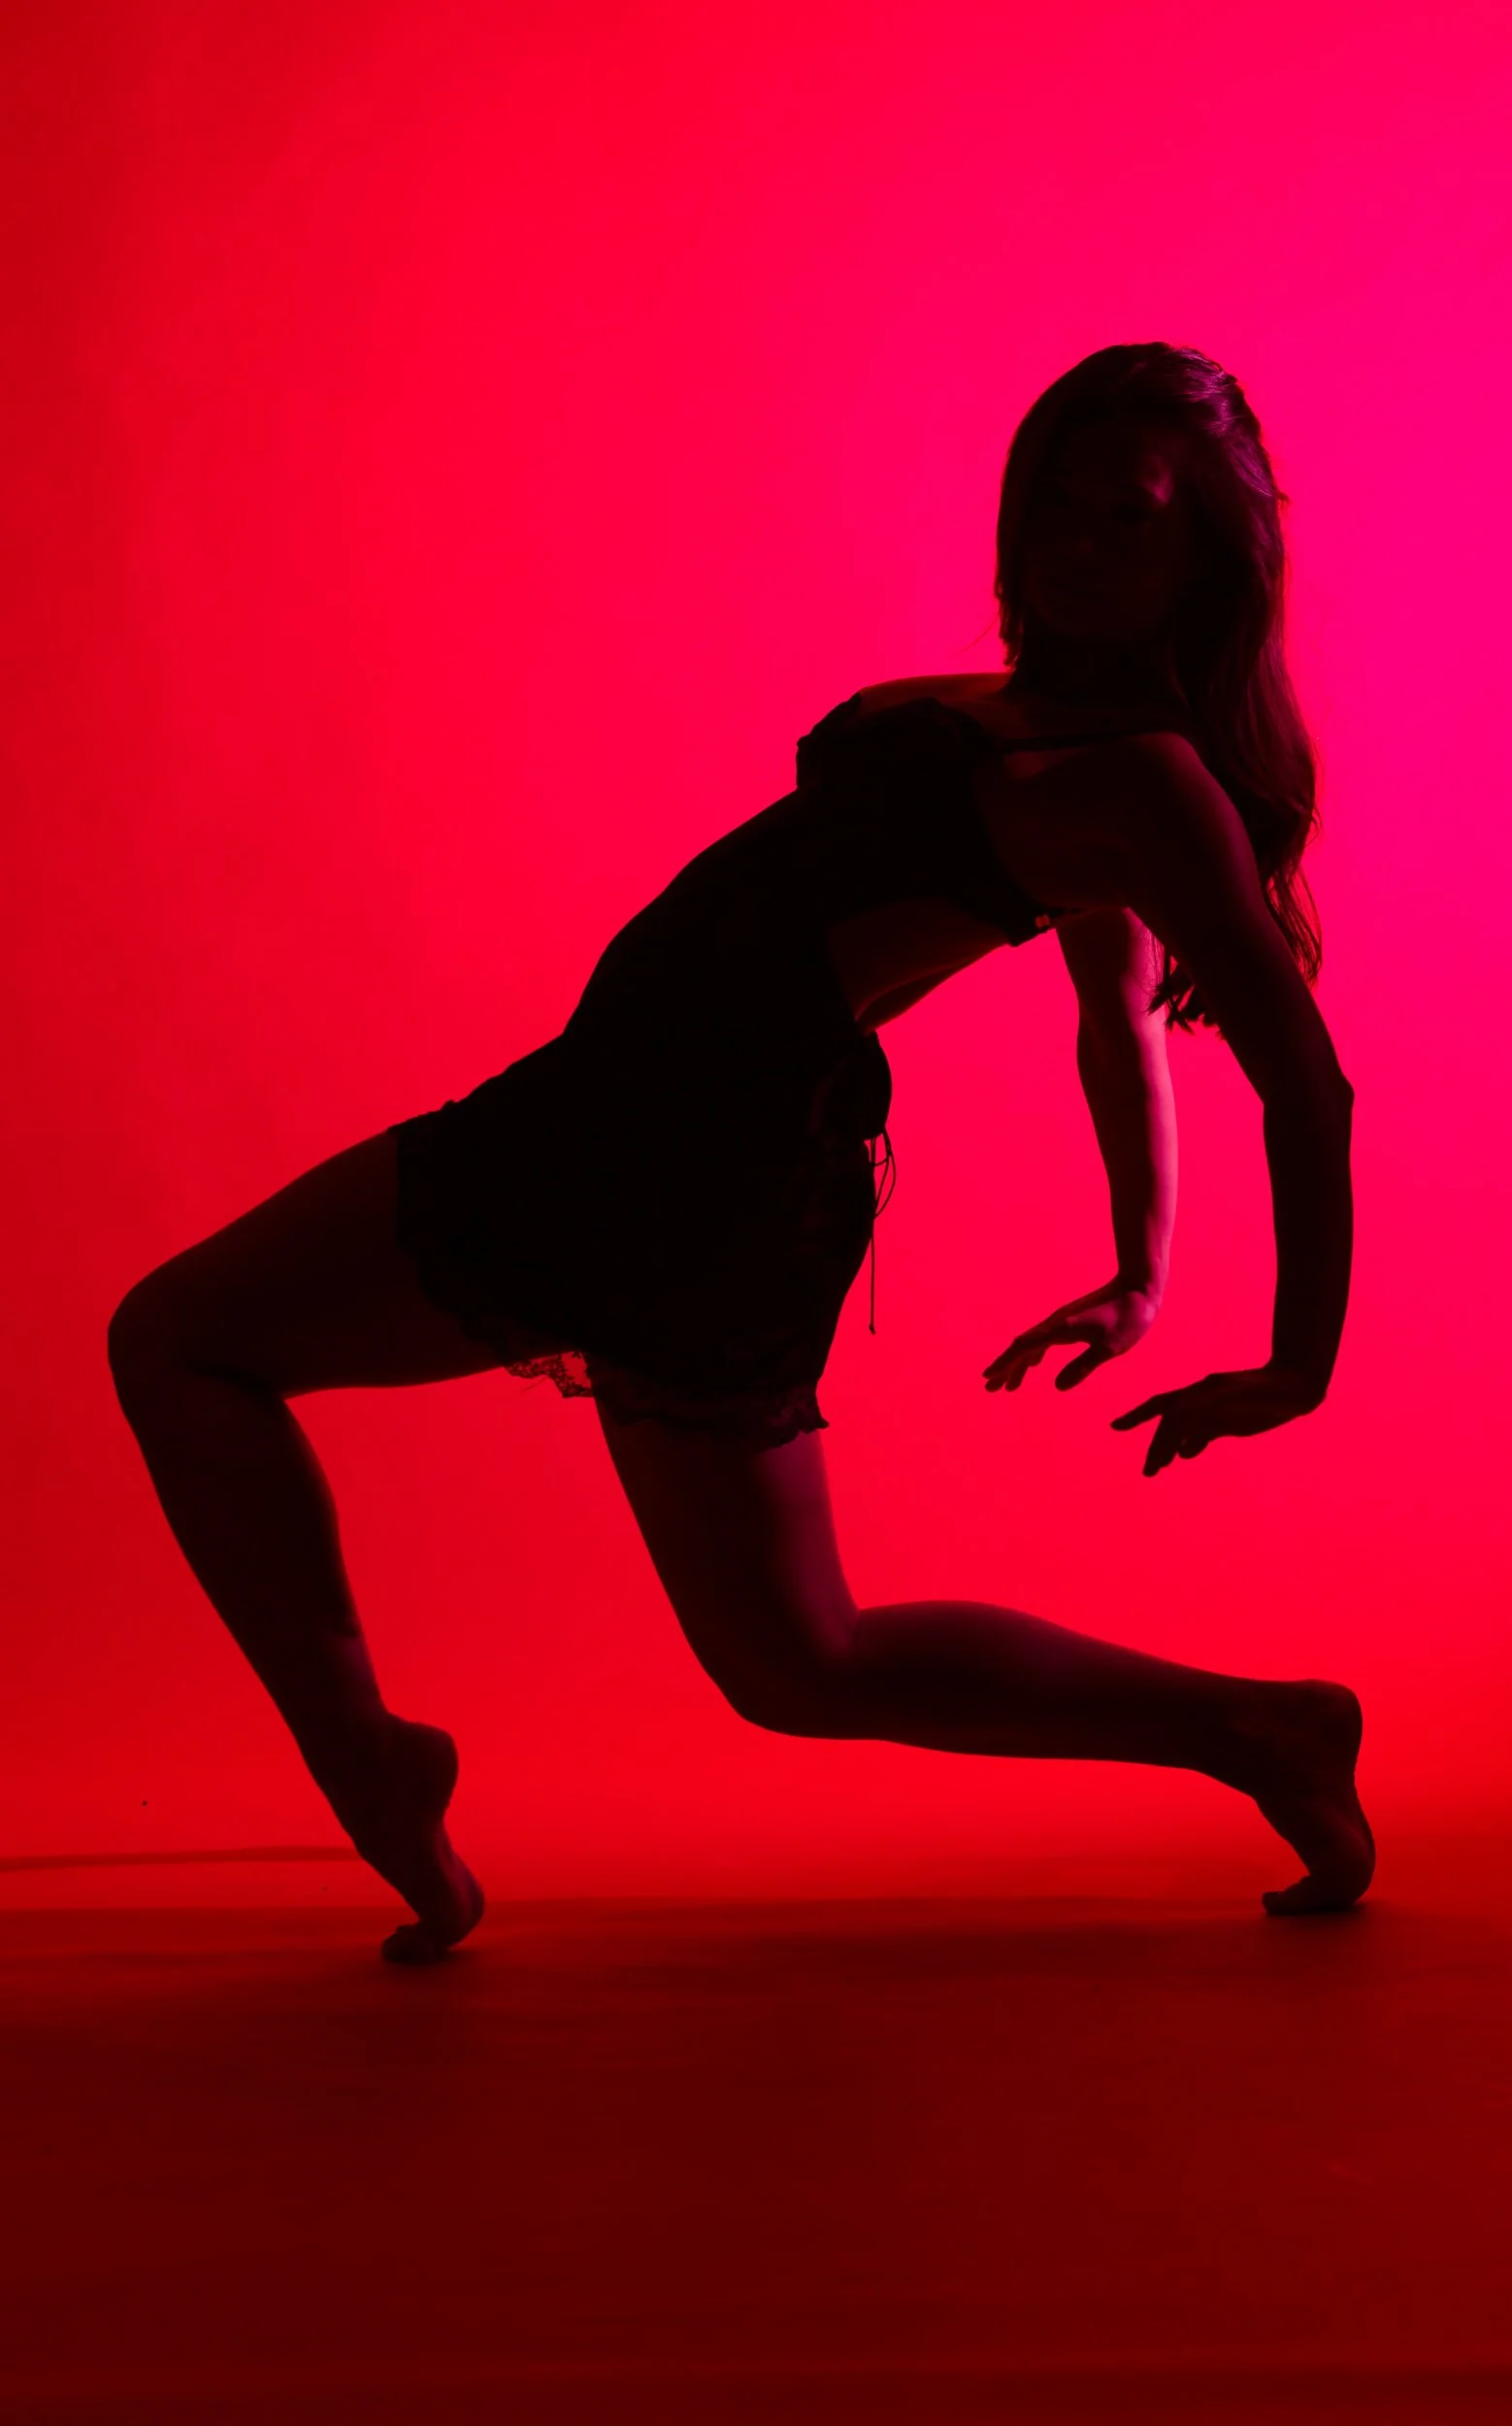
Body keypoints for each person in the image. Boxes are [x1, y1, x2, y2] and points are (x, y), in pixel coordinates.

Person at [108, 343, 1370, 1962]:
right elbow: (1111, 1010)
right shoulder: (1012, 723)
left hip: (697, 1159)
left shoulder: (1147, 782)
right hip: (607, 1109)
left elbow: (1307, 1088)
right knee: (797, 1661)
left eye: (1124, 516)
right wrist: (1140, 1270)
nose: (1070, 541)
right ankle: (1266, 1728)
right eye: (1049, 499)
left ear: (1210, 553)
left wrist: (1296, 1364)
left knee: (185, 1340)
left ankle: (366, 1755)